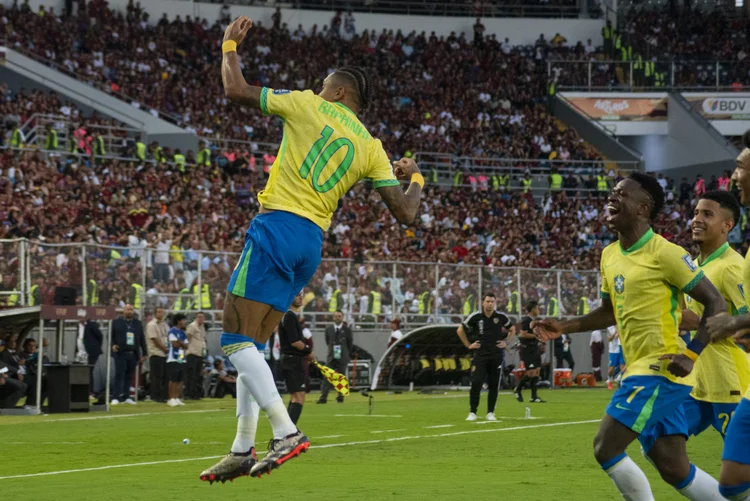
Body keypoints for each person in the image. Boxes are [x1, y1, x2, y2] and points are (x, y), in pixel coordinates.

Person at [202, 16, 422, 483]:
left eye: (324, 85)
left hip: (278, 224)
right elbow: (406, 213)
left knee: (234, 339)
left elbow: (236, 90)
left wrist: (228, 45)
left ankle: (285, 431)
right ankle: (242, 447)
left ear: (339, 92)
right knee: (254, 345)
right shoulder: (371, 145)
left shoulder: (306, 105)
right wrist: (416, 175)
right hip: (311, 243)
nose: (317, 89)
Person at [533, 172, 727, 500]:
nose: (611, 197)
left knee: (605, 447)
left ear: (642, 209)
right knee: (673, 466)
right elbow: (609, 311)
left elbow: (716, 301)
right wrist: (564, 326)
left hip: (659, 371)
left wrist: (692, 353)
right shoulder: (609, 254)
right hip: (637, 367)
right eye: (612, 192)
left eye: (621, 194)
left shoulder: (665, 252)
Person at [638, 190, 749, 499]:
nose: (697, 219)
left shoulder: (731, 267)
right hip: (698, 386)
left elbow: (746, 325)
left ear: (728, 225)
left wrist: (697, 323)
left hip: (732, 386)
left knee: (741, 471)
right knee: (655, 439)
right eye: (696, 212)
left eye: (707, 214)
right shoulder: (694, 265)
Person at [706, 133, 750, 501]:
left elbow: (740, 313)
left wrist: (736, 322)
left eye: (741, 166)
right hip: (706, 377)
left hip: (731, 376)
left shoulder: (731, 264)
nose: (734, 176)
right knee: (732, 481)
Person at [457, 292, 515, 421]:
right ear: (483, 303)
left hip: (496, 355)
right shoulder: (476, 317)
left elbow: (512, 329)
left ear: (495, 303)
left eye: (492, 301)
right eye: (487, 301)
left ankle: (490, 412)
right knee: (476, 382)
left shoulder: (500, 317)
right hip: (480, 355)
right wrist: (468, 345)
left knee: (494, 385)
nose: (490, 304)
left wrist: (507, 342)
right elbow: (460, 330)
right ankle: (472, 412)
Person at [278, 292, 314, 425]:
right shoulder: (289, 316)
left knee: (295, 396)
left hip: (290, 360)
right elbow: (295, 342)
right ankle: (289, 431)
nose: (300, 297)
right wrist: (308, 351)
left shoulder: (290, 316)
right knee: (299, 396)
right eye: (296, 295)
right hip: (292, 360)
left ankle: (287, 430)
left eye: (301, 295)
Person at [111, 304, 147, 405]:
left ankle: (126, 396)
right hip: (120, 353)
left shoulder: (137, 323)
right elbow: (110, 336)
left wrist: (144, 352)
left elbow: (141, 339)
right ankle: (116, 396)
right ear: (123, 310)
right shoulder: (116, 322)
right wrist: (113, 345)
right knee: (119, 375)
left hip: (133, 353)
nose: (129, 311)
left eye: (131, 309)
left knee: (129, 376)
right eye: (127, 309)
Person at [318, 310, 353, 404]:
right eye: (336, 316)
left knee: (341, 377)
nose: (337, 318)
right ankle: (323, 398)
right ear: (333, 318)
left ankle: (340, 397)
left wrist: (345, 353)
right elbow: (327, 341)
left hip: (342, 356)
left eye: (339, 316)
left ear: (342, 318)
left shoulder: (347, 330)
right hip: (331, 356)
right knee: (327, 376)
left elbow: (350, 344)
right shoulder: (329, 329)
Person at [514, 301, 545, 403]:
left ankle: (534, 396)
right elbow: (522, 334)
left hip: (535, 348)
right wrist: (537, 336)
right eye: (537, 308)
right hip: (527, 349)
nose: (538, 310)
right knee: (531, 373)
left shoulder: (534, 321)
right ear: (532, 309)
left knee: (536, 372)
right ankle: (518, 389)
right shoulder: (526, 320)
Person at [146, 307, 169, 403]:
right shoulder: (152, 325)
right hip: (156, 353)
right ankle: (155, 396)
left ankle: (163, 396)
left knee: (164, 376)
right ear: (155, 313)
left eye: (162, 312)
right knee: (156, 376)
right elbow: (154, 339)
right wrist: (164, 348)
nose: (161, 314)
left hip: (165, 354)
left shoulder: (165, 325)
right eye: (159, 312)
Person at [167, 313, 188, 407]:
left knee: (180, 379)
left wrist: (179, 342)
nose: (185, 322)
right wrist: (181, 343)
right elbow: (174, 344)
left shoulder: (183, 332)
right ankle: (171, 398)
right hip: (173, 357)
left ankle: (177, 397)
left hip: (181, 357)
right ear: (179, 321)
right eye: (184, 320)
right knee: (173, 379)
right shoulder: (172, 331)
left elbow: (186, 346)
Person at [185, 312, 207, 400]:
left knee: (198, 375)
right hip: (192, 353)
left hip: (199, 354)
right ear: (196, 317)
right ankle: (189, 394)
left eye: (202, 317)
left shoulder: (202, 327)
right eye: (199, 317)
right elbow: (187, 338)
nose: (201, 319)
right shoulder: (192, 326)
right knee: (191, 375)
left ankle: (195, 393)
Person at [606, 325, 625, 390]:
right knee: (611, 368)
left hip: (621, 348)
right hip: (613, 350)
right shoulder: (609, 328)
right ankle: (609, 380)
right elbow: (609, 339)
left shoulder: (621, 325)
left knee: (623, 366)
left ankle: (619, 379)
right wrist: (615, 333)